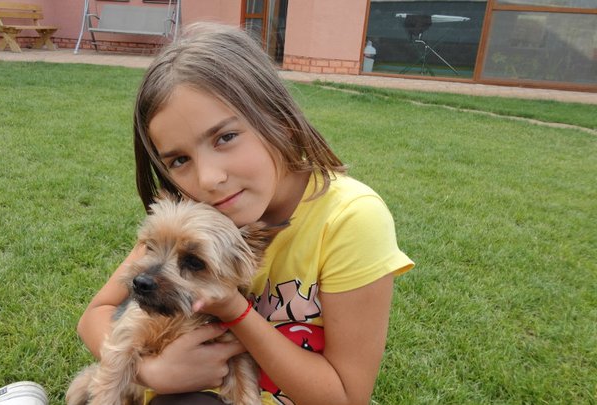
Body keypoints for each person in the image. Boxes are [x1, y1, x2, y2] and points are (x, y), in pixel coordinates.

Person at [77, 22, 414, 405]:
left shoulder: (350, 219)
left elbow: (346, 399)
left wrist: (234, 311)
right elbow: (96, 314)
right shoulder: (190, 215)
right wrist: (150, 372)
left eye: (225, 137)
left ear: (281, 122)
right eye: (179, 160)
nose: (208, 178)